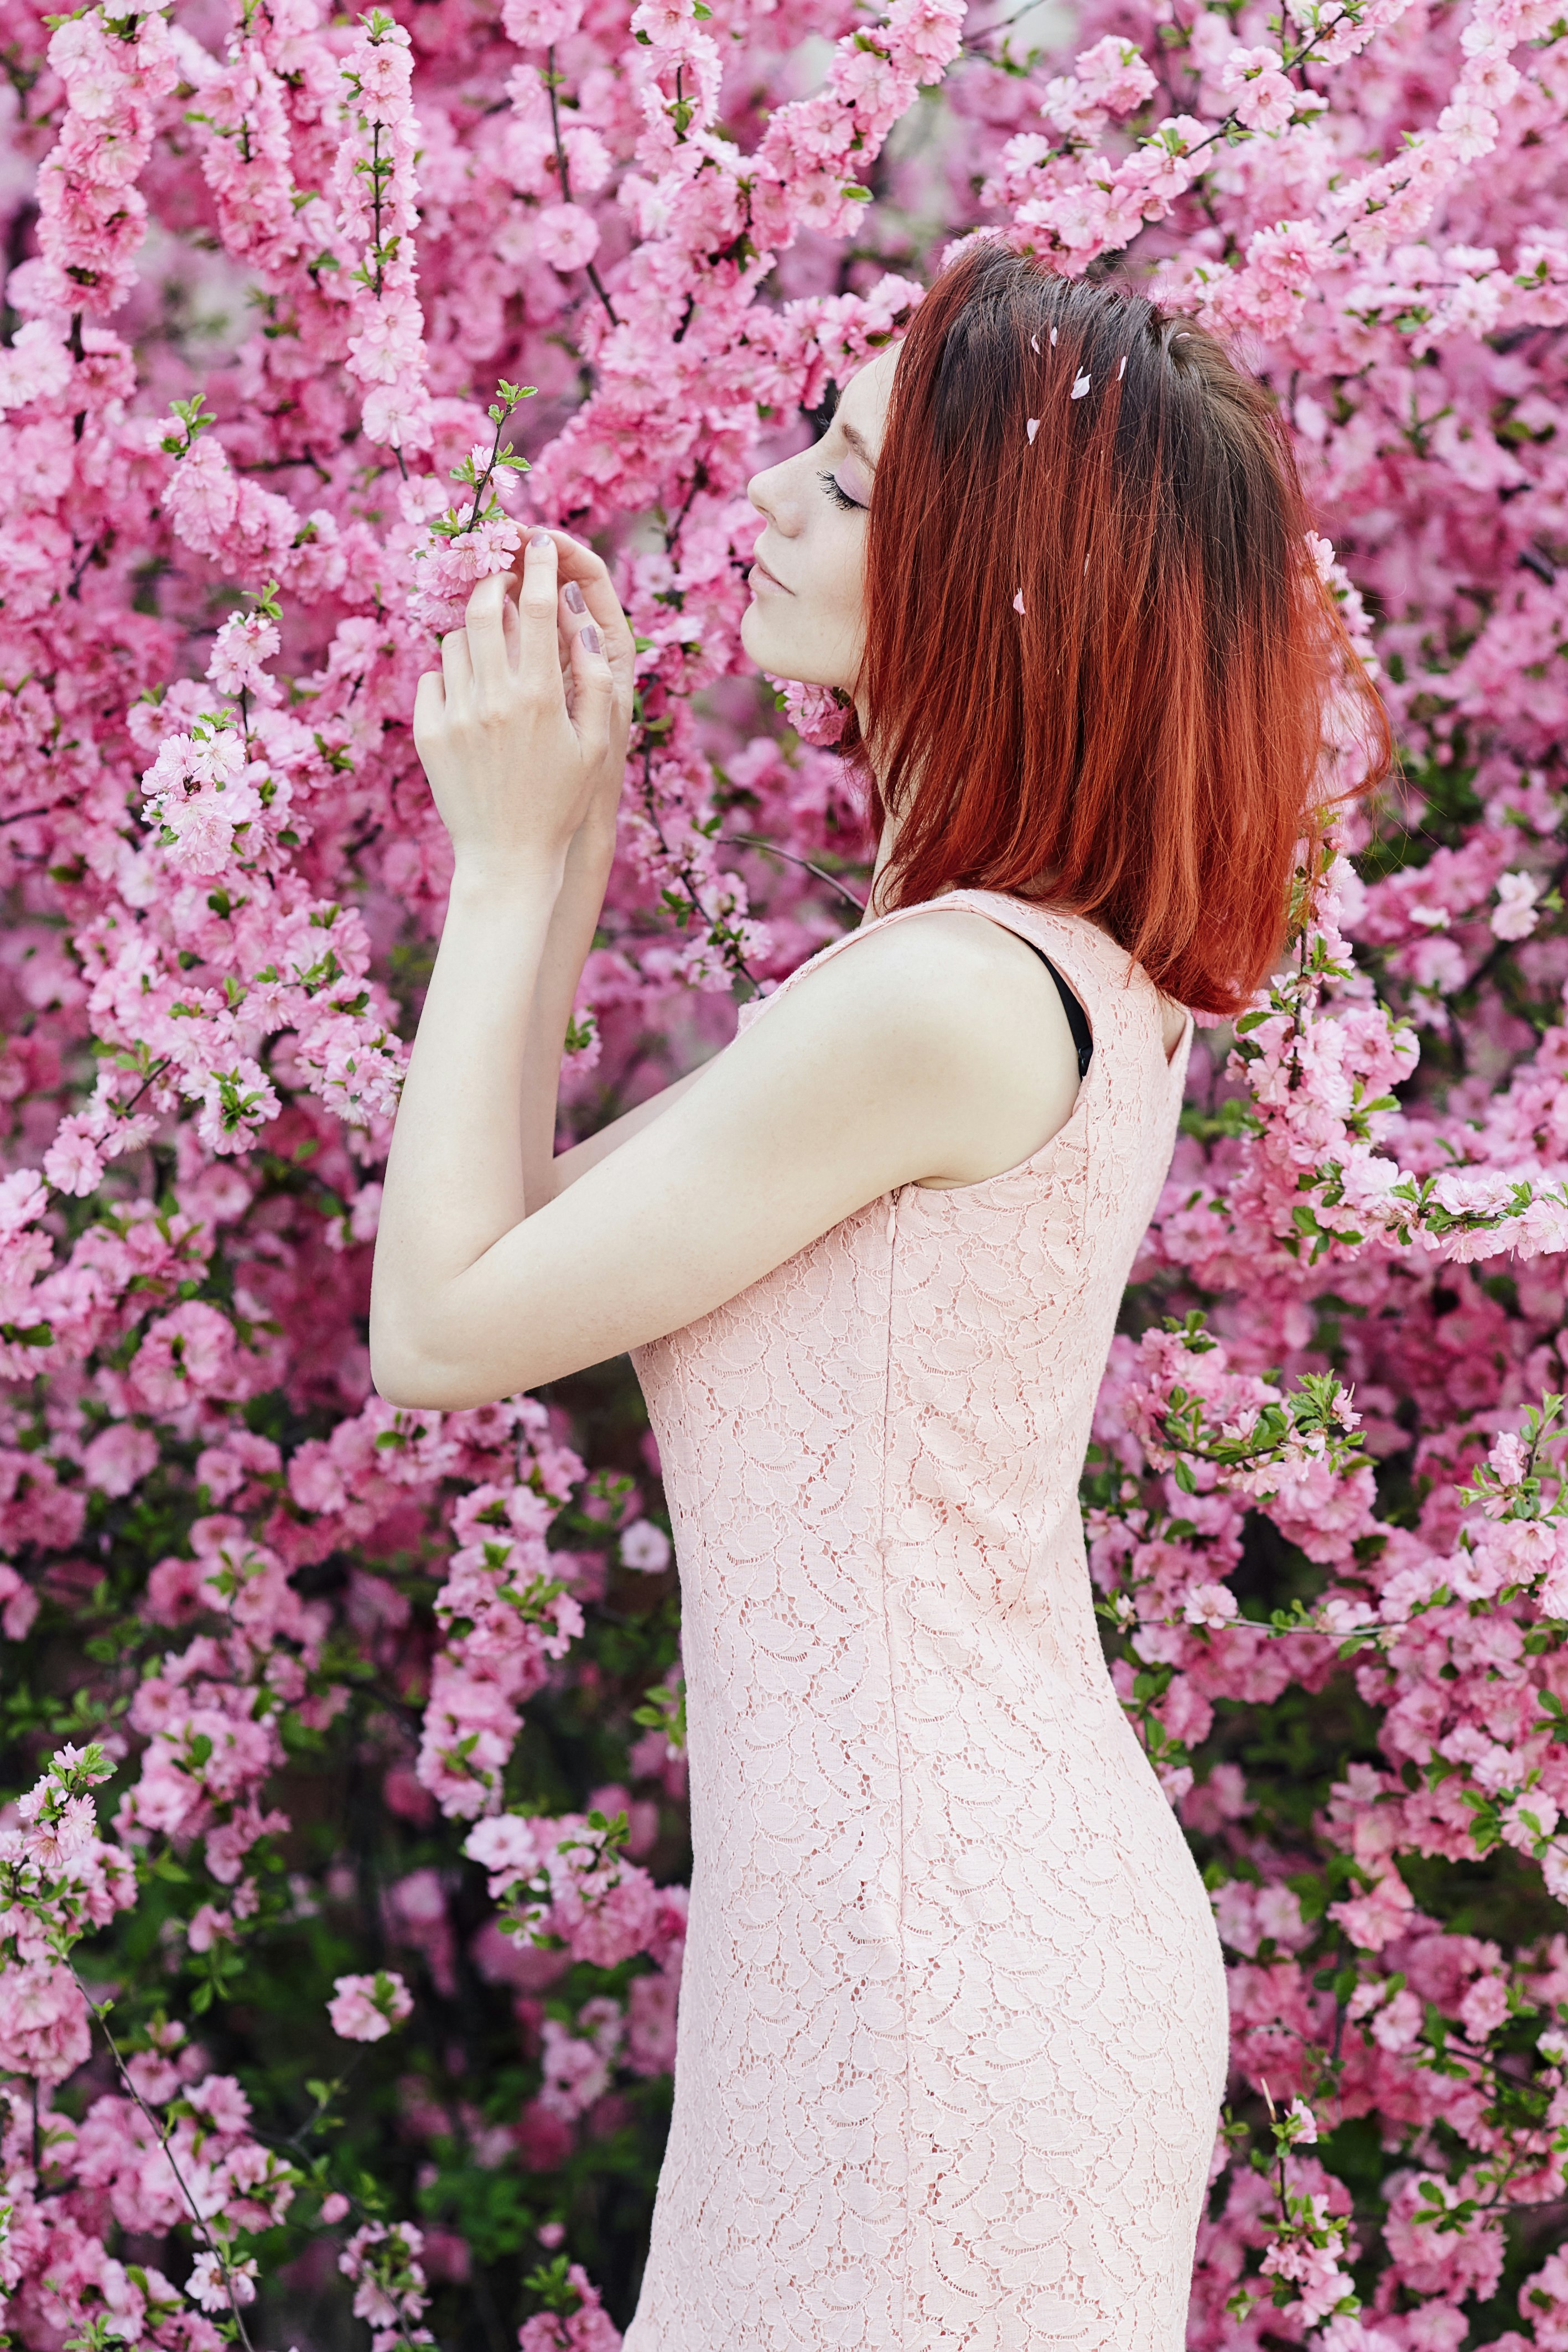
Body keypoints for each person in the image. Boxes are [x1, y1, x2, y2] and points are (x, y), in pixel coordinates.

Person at [370, 242, 1389, 2349]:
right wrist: (558, 847)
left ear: (990, 578)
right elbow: (513, 1239)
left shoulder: (940, 994)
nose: (758, 498)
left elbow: (436, 1322)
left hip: (936, 1958)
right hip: (909, 1929)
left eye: (837, 481)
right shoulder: (1007, 969)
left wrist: (491, 871)